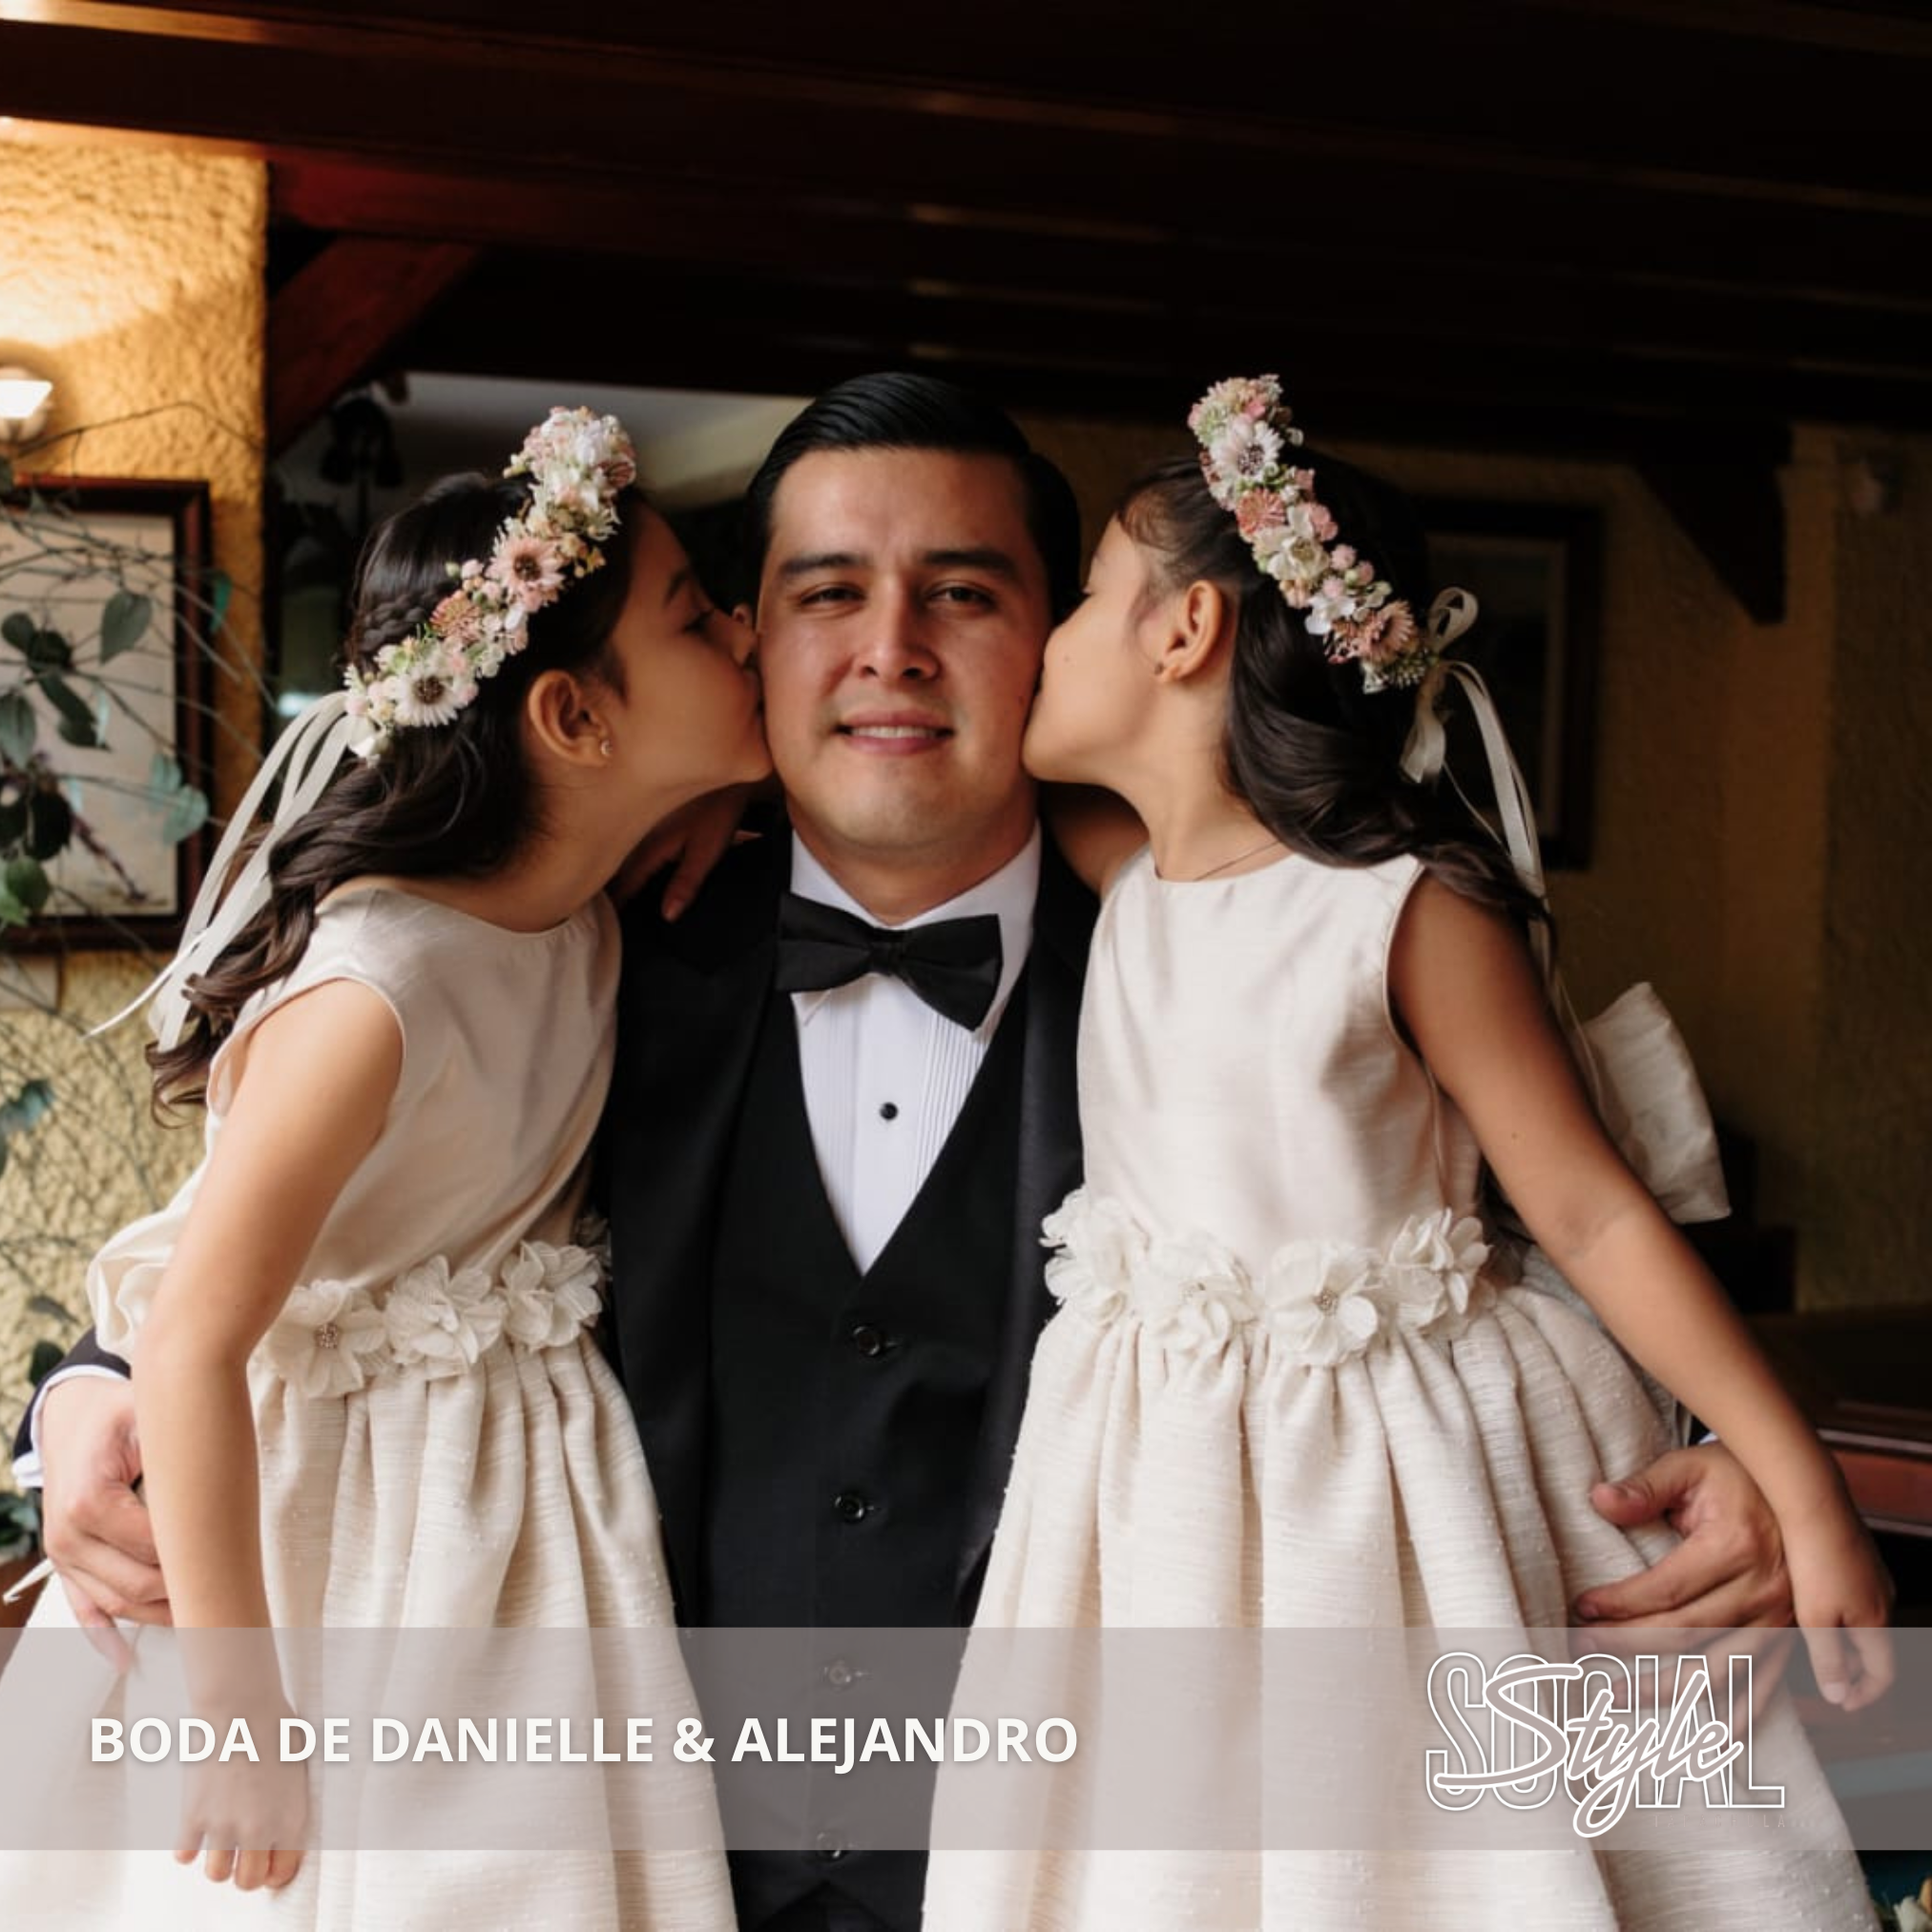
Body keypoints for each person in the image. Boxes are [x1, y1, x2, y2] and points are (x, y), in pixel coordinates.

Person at [20, 374, 1807, 1932]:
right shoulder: (574, 933)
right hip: (617, 1847)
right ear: (750, 646)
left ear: (1081, 638)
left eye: (965, 590)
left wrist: (1731, 1464)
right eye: (824, 596)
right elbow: (297, 1252)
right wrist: (86, 1400)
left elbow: (1535, 1235)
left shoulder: (1254, 935)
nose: (890, 648)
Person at [924, 376, 1889, 1929]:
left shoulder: (1398, 907)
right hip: (1156, 1474)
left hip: (1383, 1468)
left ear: (1186, 632)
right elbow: (944, 786)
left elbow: (1590, 1209)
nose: (1049, 639)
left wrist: (1798, 1482)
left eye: (1087, 594)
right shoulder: (1129, 878)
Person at [0, 410, 762, 1926]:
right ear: (573, 718)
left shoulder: (578, 904)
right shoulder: (375, 993)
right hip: (332, 1524)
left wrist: (732, 786)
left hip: (509, 1504)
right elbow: (194, 1340)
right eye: (696, 617)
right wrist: (241, 1714)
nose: (742, 629)